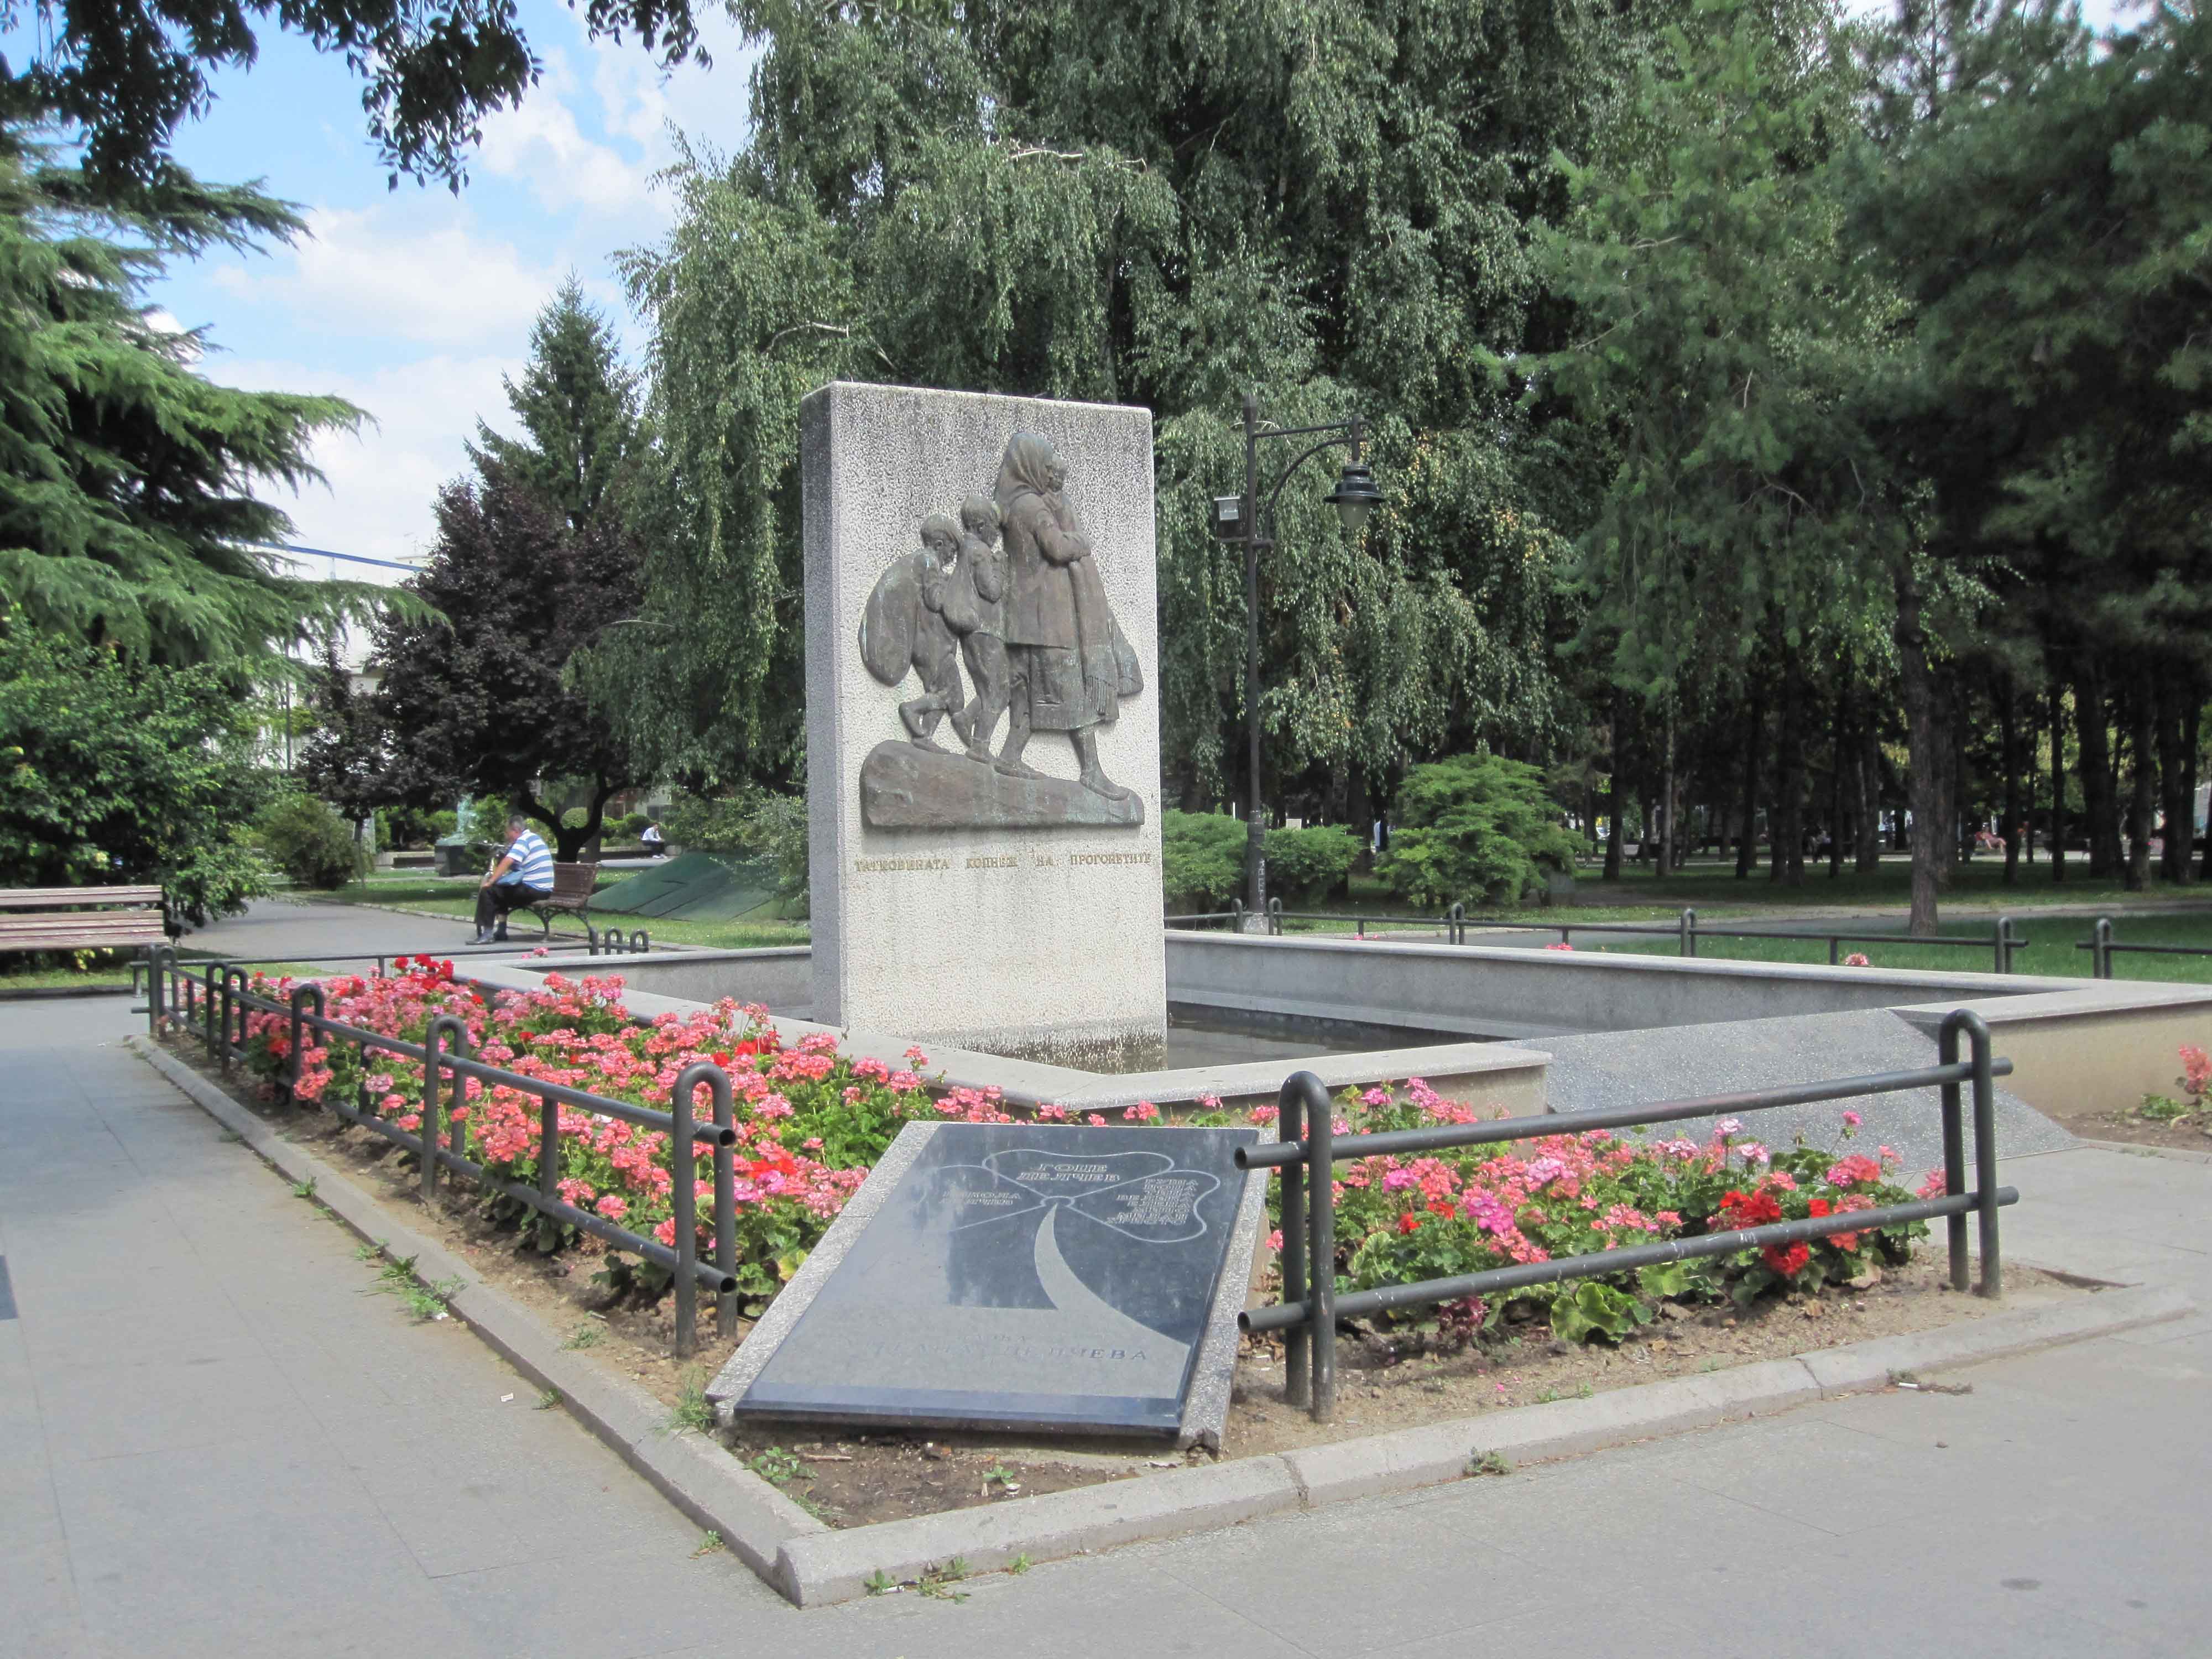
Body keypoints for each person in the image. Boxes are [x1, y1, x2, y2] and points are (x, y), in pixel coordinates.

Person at [994, 433, 1140, 799]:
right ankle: (1091, 771)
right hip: (1050, 619)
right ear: (1029, 466)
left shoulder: (1011, 506)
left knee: (1026, 694)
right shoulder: (1033, 509)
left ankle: (1010, 755)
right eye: (1044, 467)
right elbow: (1058, 548)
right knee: (1072, 692)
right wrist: (1081, 542)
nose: (1048, 475)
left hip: (1023, 621)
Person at [472, 814, 553, 943]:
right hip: (544, 890)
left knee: (489, 891)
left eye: (507, 832)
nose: (506, 835)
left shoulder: (523, 840)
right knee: (502, 891)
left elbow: (508, 861)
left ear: (515, 831)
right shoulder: (534, 838)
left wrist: (491, 881)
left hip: (533, 889)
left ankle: (487, 934)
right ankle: (501, 931)